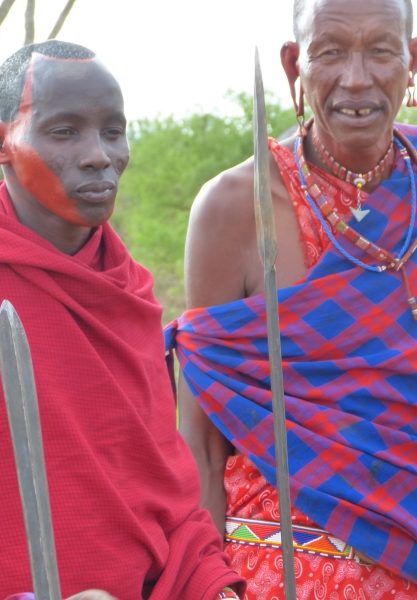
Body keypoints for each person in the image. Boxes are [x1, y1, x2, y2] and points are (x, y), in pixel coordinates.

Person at [0, 40, 245, 600]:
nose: (98, 155)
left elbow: (166, 495)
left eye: (113, 131)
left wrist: (213, 587)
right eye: (64, 132)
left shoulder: (130, 294)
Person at [172, 0, 417, 596]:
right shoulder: (236, 207)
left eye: (381, 50)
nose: (356, 78)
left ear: (412, 63)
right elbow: (202, 442)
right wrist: (208, 584)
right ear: (293, 66)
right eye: (330, 51)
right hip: (282, 563)